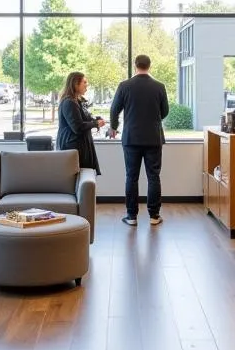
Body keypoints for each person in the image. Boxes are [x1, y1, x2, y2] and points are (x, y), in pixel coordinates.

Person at [109, 54, 170, 226]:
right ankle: (154, 216)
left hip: (131, 138)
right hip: (153, 137)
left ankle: (131, 216)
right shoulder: (159, 86)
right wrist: (154, 118)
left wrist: (114, 127)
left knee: (131, 177)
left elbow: (114, 110)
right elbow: (165, 111)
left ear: (136, 66)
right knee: (154, 177)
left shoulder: (124, 85)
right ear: (149, 66)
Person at [56, 71, 103, 175]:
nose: (87, 85)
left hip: (80, 145)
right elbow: (77, 127)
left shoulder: (77, 101)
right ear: (75, 84)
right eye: (84, 82)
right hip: (73, 147)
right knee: (76, 177)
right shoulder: (69, 102)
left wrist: (95, 120)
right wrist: (95, 124)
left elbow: (83, 118)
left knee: (84, 176)